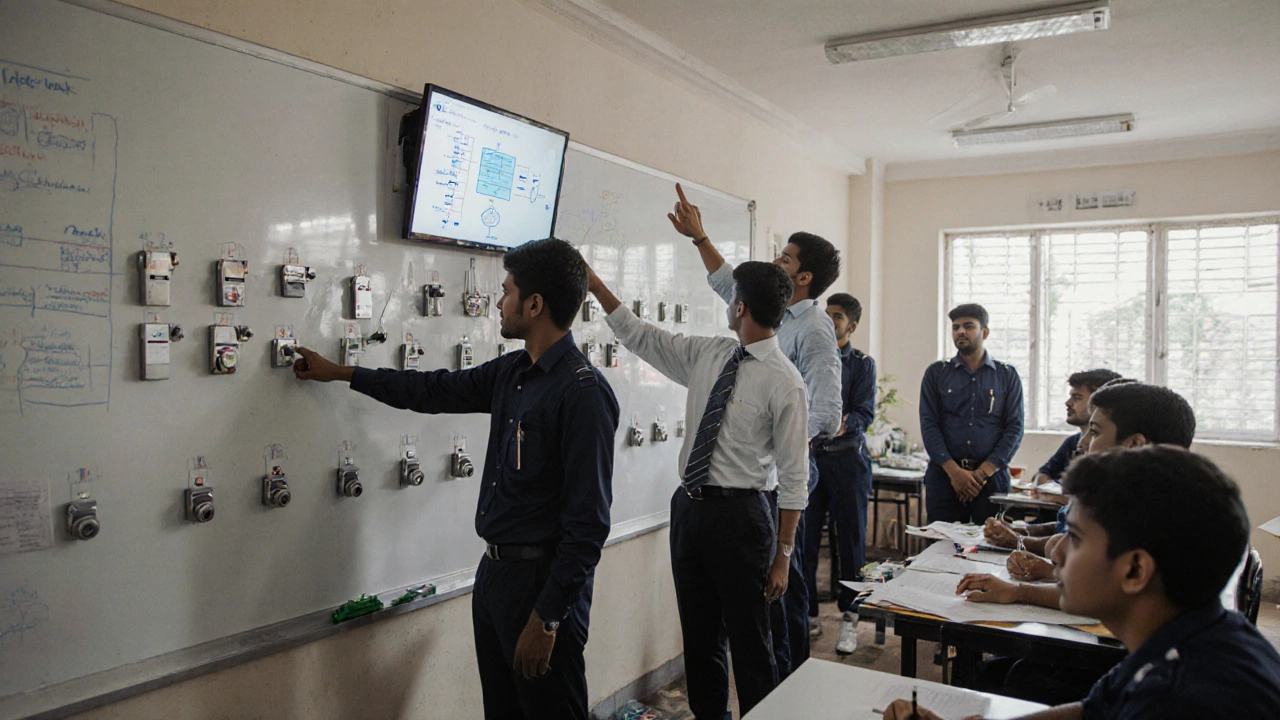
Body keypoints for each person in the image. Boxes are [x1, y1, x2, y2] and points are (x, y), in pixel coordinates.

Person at [291, 238, 619, 720]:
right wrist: (342, 373)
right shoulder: (514, 372)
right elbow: (431, 389)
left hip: (541, 587)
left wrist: (547, 619)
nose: (498, 304)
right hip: (496, 577)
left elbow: (589, 526)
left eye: (506, 292)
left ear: (534, 304)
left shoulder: (582, 393)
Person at [884, 446, 1280, 719]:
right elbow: (1093, 711)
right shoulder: (1190, 636)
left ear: (1134, 570)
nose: (1054, 552)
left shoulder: (1180, 699)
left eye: (1074, 537)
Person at [591, 259, 809, 719]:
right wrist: (595, 284)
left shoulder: (786, 382)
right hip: (689, 509)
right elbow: (643, 336)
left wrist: (783, 557)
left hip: (743, 517)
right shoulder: (711, 354)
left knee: (751, 643)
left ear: (740, 307)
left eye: (731, 298)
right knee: (700, 637)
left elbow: (794, 479)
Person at [667, 183, 841, 676]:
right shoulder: (767, 312)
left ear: (802, 278)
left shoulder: (812, 329)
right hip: (743, 486)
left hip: (775, 482)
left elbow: (827, 411)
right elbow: (731, 286)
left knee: (778, 599)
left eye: (783, 259)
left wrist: (773, 441)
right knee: (753, 610)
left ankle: (786, 694)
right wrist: (699, 238)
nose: (776, 262)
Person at [963, 382, 1195, 605]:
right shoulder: (1134, 501)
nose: (1082, 443)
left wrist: (1019, 592)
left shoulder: (1152, 516)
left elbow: (1103, 592)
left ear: (1134, 445)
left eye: (1094, 432)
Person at [803, 292, 875, 655]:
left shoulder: (862, 364)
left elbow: (864, 412)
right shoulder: (809, 356)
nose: (830, 321)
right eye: (826, 314)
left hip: (849, 462)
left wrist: (839, 423)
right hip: (813, 459)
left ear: (852, 325)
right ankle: (808, 615)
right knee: (805, 540)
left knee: (851, 544)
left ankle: (850, 618)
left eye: (837, 316)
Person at [983, 369, 1122, 549]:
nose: (1068, 402)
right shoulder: (1073, 442)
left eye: (1077, 398)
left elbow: (1073, 546)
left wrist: (1020, 540)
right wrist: (1021, 532)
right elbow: (1042, 476)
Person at [918, 303, 1025, 524]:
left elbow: (1014, 428)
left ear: (984, 332)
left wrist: (980, 475)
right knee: (940, 548)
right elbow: (929, 425)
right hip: (944, 478)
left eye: (968, 326)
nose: (960, 332)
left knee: (989, 549)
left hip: (991, 480)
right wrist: (955, 473)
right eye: (956, 327)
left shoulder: (1007, 376)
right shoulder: (936, 373)